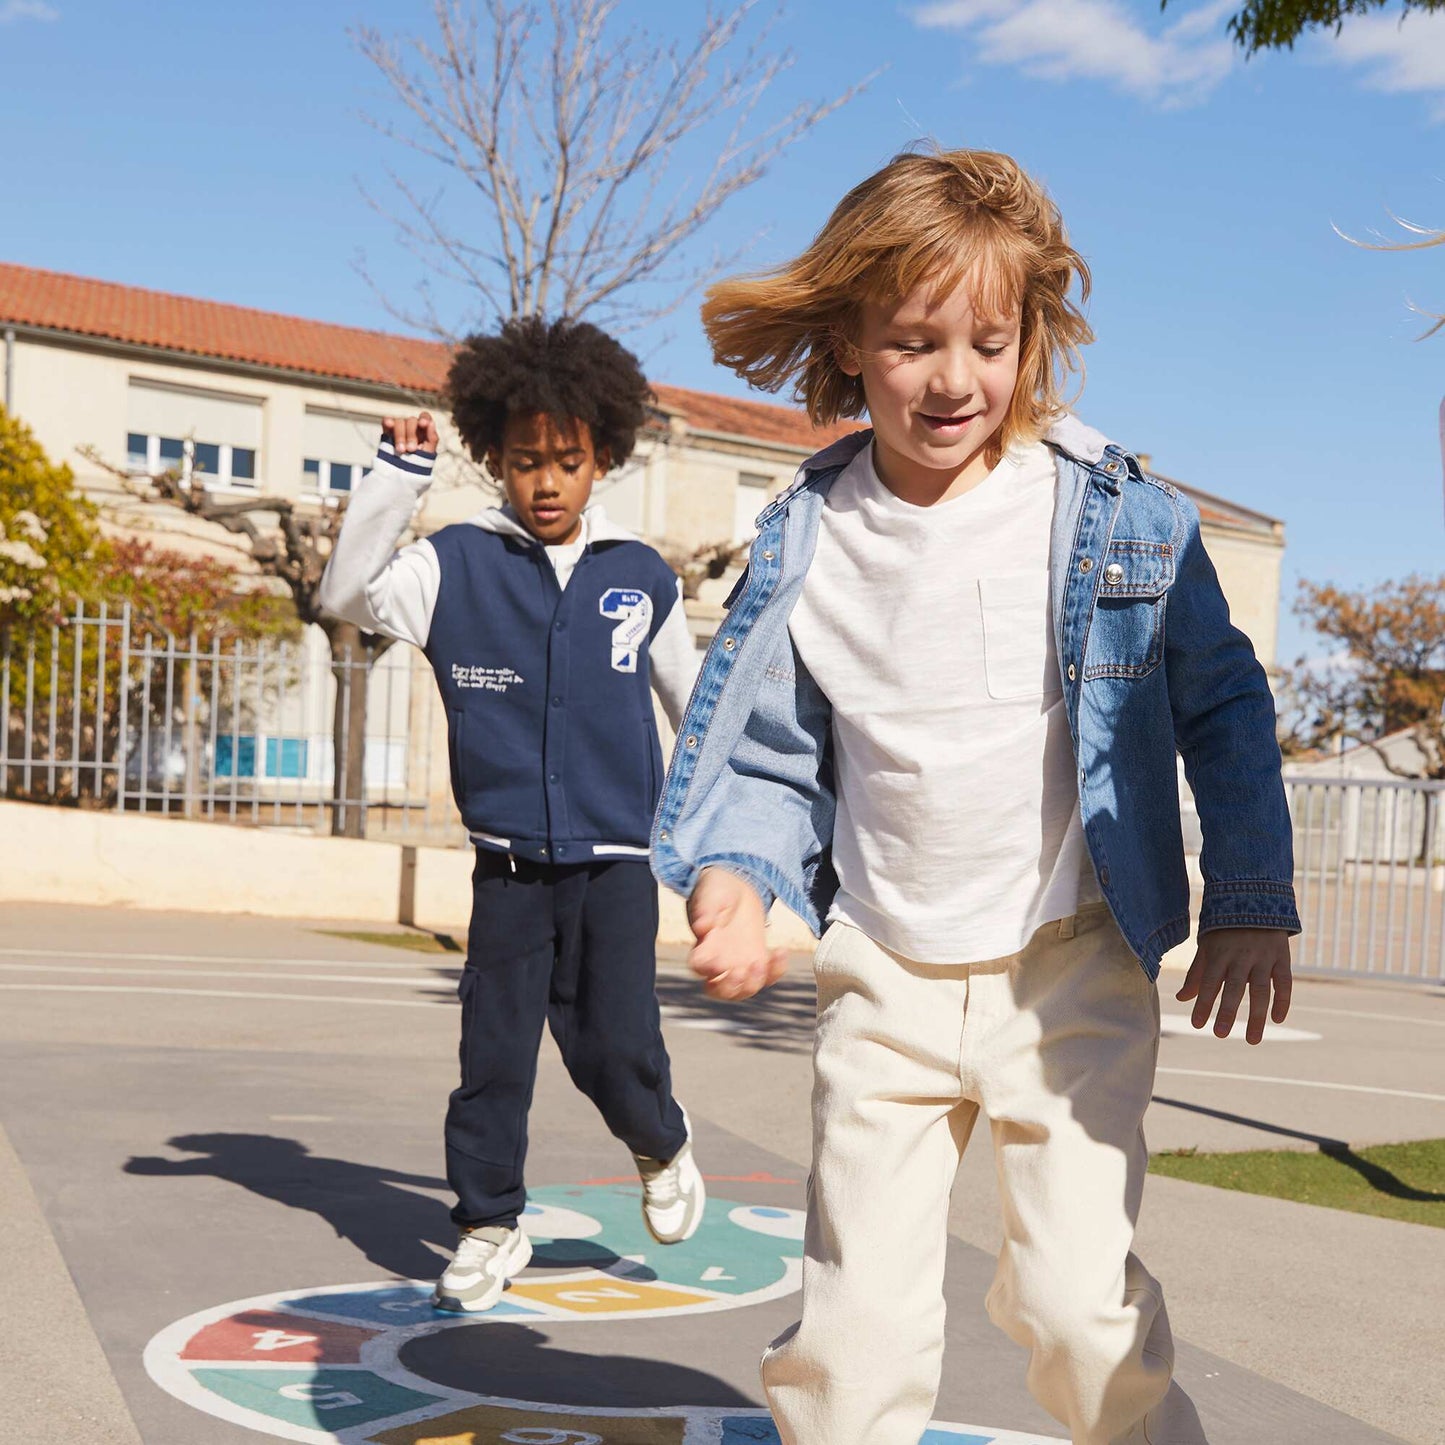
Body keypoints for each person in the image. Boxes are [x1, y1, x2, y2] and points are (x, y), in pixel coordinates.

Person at [651, 147, 1300, 1445]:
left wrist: (1247, 894)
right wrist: (735, 876)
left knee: (1077, 1316)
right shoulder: (809, 535)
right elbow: (776, 754)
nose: (953, 379)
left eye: (987, 343)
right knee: (851, 1341)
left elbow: (1224, 703)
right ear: (848, 340)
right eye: (912, 341)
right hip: (883, 976)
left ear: (1029, 340)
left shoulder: (1110, 517)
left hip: (1067, 971)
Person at [321, 315, 705, 1314]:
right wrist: (395, 481)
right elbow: (348, 594)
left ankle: (659, 1140)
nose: (546, 482)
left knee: (613, 1045)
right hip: (508, 869)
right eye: (526, 460)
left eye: (566, 462)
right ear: (494, 456)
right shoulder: (451, 564)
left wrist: (715, 846)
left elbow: (696, 711)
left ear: (602, 458)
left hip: (616, 863)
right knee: (491, 1055)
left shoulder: (642, 576)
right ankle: (490, 1223)